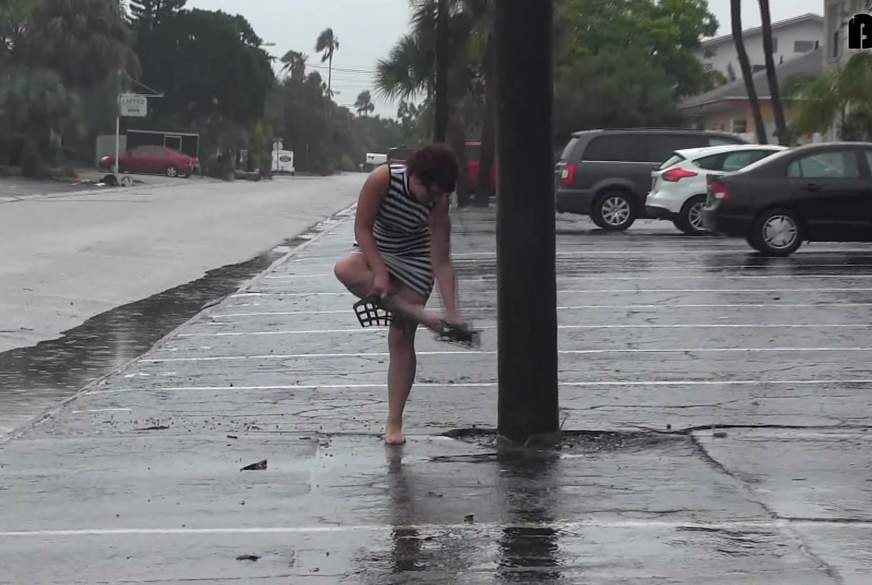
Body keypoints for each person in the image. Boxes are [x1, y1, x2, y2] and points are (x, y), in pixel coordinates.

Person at [333, 144, 476, 445]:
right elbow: (362, 230)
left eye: (440, 196)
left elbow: (441, 260)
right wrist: (379, 271)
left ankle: (394, 420)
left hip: (416, 260)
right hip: (378, 249)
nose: (433, 200)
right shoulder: (382, 179)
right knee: (345, 269)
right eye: (430, 193)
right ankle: (422, 316)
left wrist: (453, 313)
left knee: (400, 337)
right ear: (416, 176)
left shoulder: (439, 202)